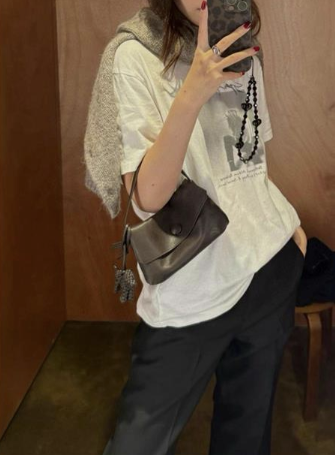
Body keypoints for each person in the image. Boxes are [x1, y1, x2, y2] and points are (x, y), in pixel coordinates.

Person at [100, 1, 307, 454]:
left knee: (245, 440)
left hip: (268, 270)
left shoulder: (243, 48)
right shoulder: (135, 56)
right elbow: (147, 199)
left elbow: (249, 162)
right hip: (188, 289)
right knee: (137, 444)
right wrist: (192, 92)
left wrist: (286, 224)